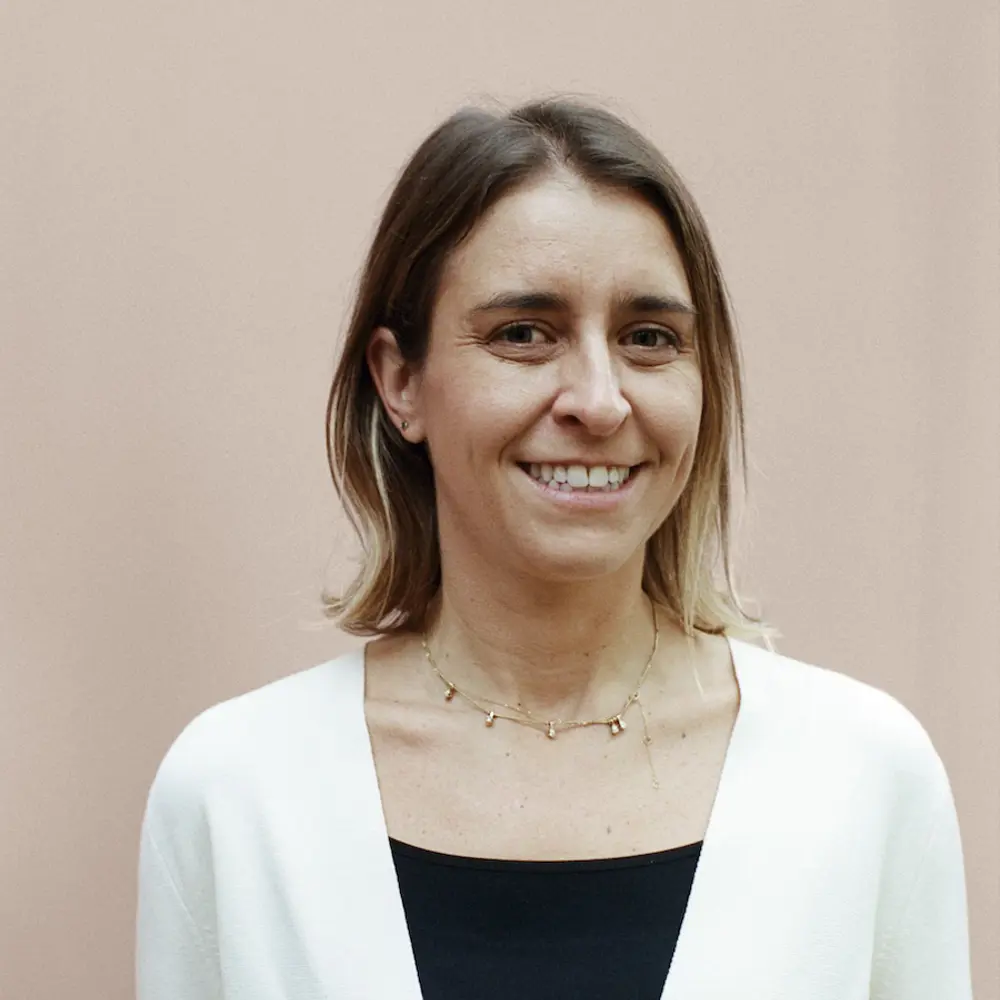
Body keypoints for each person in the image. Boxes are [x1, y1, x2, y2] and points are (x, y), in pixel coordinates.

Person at [135, 97, 973, 999]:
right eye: (523, 334)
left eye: (649, 338)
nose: (600, 401)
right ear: (400, 381)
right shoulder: (235, 790)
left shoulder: (863, 773)